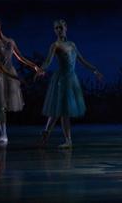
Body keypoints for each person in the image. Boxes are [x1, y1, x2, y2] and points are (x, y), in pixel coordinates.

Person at [38, 19, 103, 149]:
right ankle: (49, 136)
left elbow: (81, 60)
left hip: (71, 79)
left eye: (60, 27)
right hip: (61, 80)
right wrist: (41, 69)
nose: (58, 30)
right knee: (58, 111)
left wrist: (94, 70)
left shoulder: (72, 44)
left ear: (66, 27)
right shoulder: (55, 45)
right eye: (56, 28)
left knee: (63, 111)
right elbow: (48, 61)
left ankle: (64, 139)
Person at [0, 17, 43, 144]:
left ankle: (2, 134)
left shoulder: (10, 41)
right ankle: (2, 134)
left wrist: (34, 66)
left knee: (4, 105)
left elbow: (20, 57)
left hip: (10, 73)